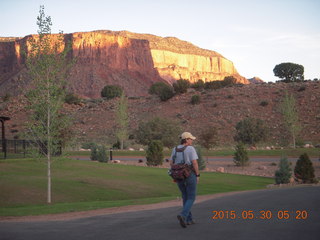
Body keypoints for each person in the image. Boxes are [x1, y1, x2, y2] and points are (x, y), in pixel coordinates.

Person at [170, 132, 200, 228]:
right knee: (191, 197)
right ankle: (183, 215)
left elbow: (171, 162)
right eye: (190, 139)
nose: (192, 141)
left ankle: (188, 219)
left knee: (185, 196)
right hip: (189, 174)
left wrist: (178, 168)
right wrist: (198, 175)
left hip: (178, 176)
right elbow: (194, 163)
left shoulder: (174, 149)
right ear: (186, 139)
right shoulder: (190, 149)